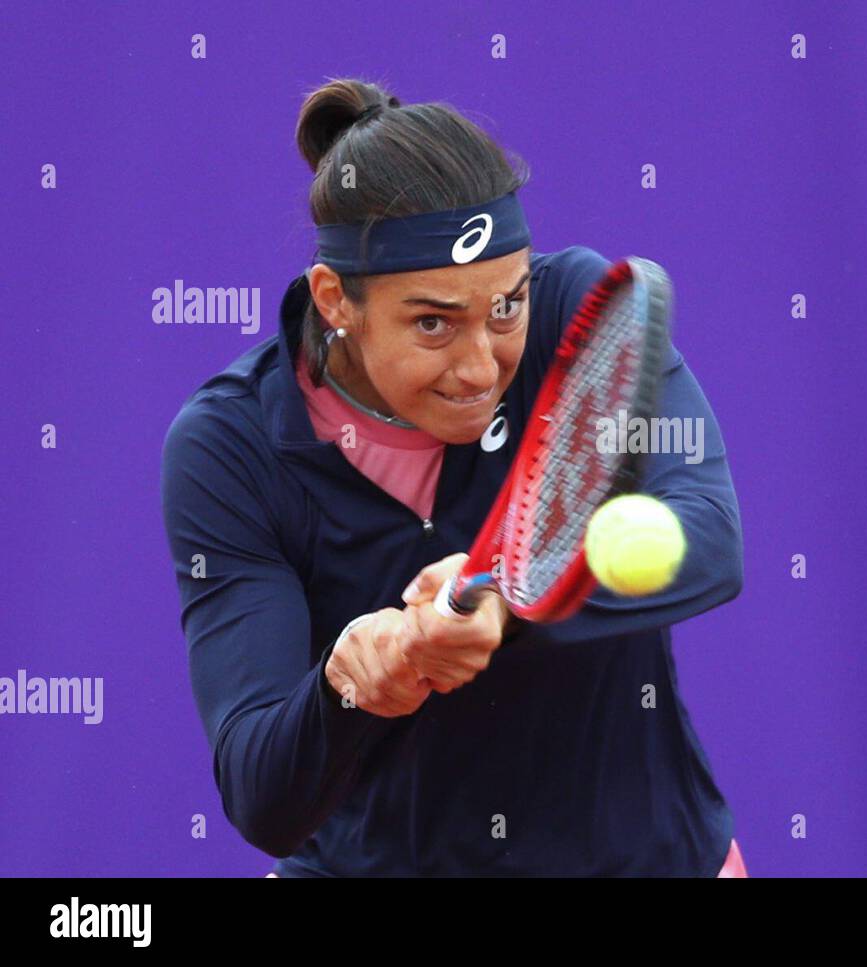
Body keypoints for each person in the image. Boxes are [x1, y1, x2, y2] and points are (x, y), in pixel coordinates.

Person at [160, 78, 747, 876]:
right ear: (336, 299)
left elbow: (708, 539)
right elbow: (265, 795)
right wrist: (346, 686)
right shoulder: (232, 444)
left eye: (506, 307)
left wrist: (507, 597)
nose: (480, 367)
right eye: (433, 321)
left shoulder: (578, 314)